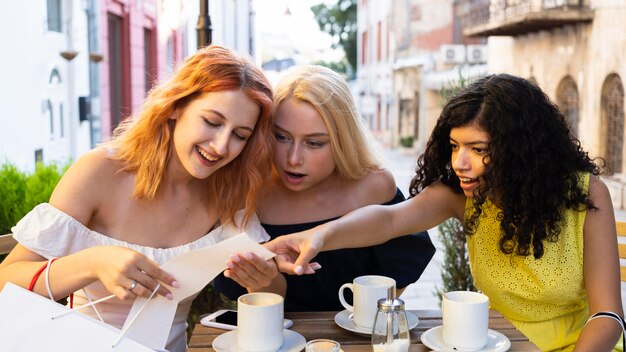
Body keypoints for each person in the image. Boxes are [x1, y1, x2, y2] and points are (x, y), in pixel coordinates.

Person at [265, 73, 624, 350]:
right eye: (454, 146)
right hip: (490, 345)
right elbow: (390, 219)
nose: (460, 162)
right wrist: (319, 236)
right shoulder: (462, 195)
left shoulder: (586, 194)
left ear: (522, 149)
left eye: (478, 148)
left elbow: (608, 315)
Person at [0, 45, 276, 352]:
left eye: (240, 135)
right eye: (212, 122)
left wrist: (261, 281)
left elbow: (274, 290)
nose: (222, 146)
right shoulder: (101, 171)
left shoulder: (230, 189)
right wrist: (92, 262)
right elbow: (5, 282)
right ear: (175, 106)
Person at [212, 65, 435, 311]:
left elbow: (400, 270)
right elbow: (235, 286)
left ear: (343, 141)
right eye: (282, 137)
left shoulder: (374, 186)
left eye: (314, 143)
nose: (293, 158)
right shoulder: (249, 189)